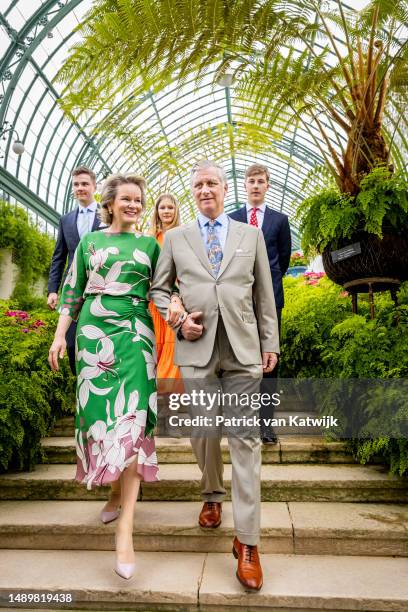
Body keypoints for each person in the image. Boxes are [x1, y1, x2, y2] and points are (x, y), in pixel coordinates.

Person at [150, 160, 280, 591]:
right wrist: (176, 313)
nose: (206, 189)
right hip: (195, 346)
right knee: (204, 433)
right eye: (198, 184)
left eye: (212, 183)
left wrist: (270, 343)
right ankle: (211, 496)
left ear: (226, 189)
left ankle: (248, 543)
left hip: (243, 352)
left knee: (245, 439)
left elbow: (264, 293)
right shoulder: (176, 237)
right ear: (193, 192)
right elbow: (158, 287)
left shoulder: (252, 234)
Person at [48, 173, 183, 580]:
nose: (134, 205)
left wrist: (175, 302)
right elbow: (72, 291)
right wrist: (59, 337)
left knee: (133, 421)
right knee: (102, 420)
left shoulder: (150, 246)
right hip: (93, 336)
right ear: (110, 203)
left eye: (138, 200)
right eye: (126, 199)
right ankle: (111, 488)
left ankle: (125, 528)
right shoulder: (90, 244)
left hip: (136, 336)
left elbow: (166, 287)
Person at [229, 164, 291, 444]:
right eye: (251, 181)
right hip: (237, 301)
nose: (256, 185)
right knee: (238, 359)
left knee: (269, 362)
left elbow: (285, 260)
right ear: (245, 185)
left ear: (267, 186)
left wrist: (268, 285)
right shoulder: (232, 219)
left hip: (270, 301)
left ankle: (266, 425)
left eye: (261, 181)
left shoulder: (280, 220)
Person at [47, 166, 101, 374]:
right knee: (70, 344)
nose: (80, 188)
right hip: (73, 289)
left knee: (96, 340)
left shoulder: (107, 215)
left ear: (94, 186)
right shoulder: (66, 220)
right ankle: (80, 383)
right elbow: (59, 257)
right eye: (76, 184)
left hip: (100, 287)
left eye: (85, 184)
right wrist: (53, 290)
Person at [149, 193, 182, 384]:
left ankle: (167, 392)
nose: (167, 211)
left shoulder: (183, 234)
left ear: (176, 210)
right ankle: (153, 392)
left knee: (172, 343)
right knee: (155, 345)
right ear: (157, 211)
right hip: (153, 301)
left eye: (170, 207)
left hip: (175, 298)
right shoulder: (150, 238)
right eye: (163, 208)